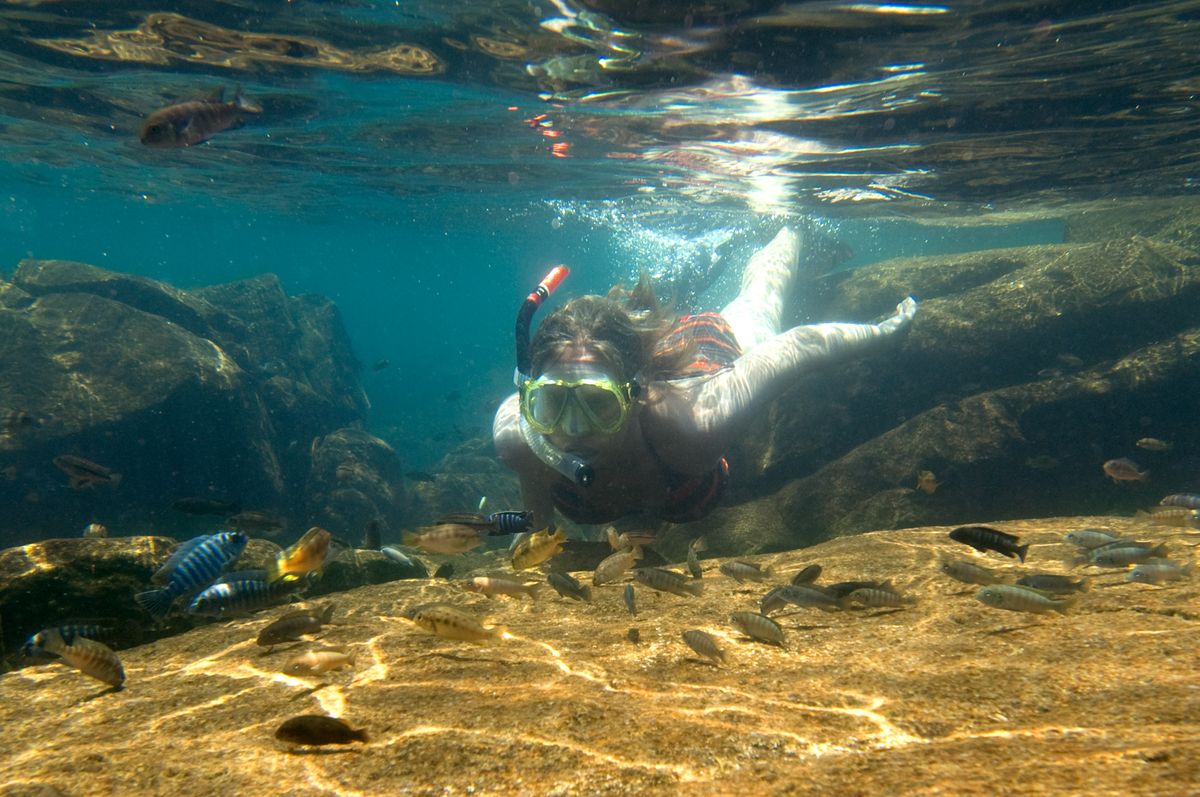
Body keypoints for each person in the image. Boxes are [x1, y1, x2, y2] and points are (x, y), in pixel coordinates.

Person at [493, 226, 916, 531]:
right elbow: (536, 534)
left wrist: (884, 334)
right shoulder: (521, 440)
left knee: (760, 303)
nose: (571, 429)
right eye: (551, 403)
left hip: (703, 357)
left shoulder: (697, 422)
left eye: (597, 403)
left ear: (635, 396)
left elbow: (800, 347)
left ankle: (788, 226)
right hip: (633, 363)